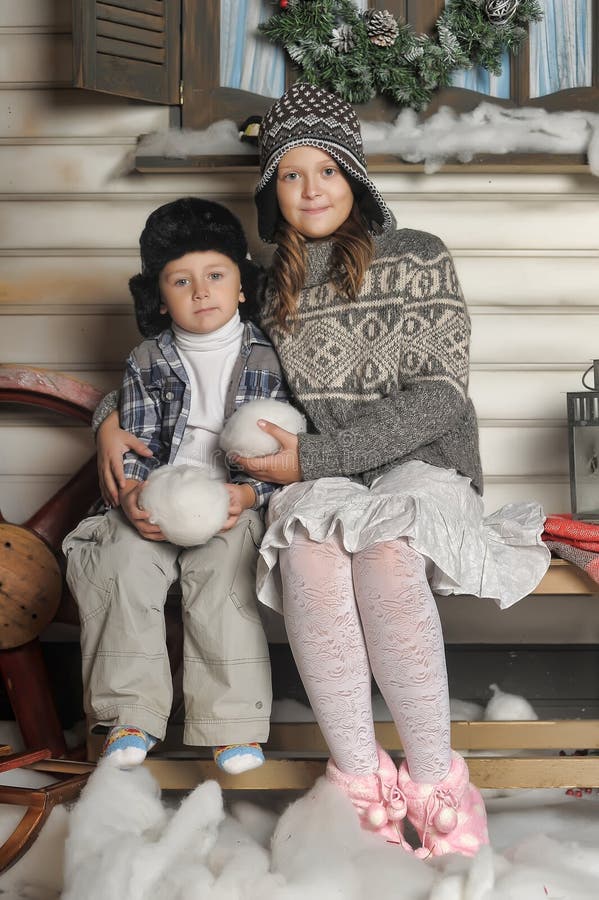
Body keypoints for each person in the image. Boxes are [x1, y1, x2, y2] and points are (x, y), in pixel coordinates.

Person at [93, 85, 550, 857]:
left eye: (327, 171)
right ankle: (358, 779)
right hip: (326, 472)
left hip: (419, 462)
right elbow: (194, 352)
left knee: (381, 553)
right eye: (291, 175)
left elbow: (440, 397)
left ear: (355, 178)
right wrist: (106, 416)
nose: (310, 190)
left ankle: (437, 778)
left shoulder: (417, 257)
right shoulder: (269, 284)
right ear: (272, 191)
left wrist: (314, 458)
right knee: (306, 550)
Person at [63, 197, 291, 775]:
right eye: (180, 281)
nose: (201, 291)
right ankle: (130, 714)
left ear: (242, 285)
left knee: (223, 580)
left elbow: (283, 441)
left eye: (216, 275)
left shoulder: (269, 355)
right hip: (162, 493)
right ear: (159, 298)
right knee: (119, 563)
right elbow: (135, 439)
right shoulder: (147, 360)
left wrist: (249, 496)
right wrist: (134, 498)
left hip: (233, 501)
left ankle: (231, 724)